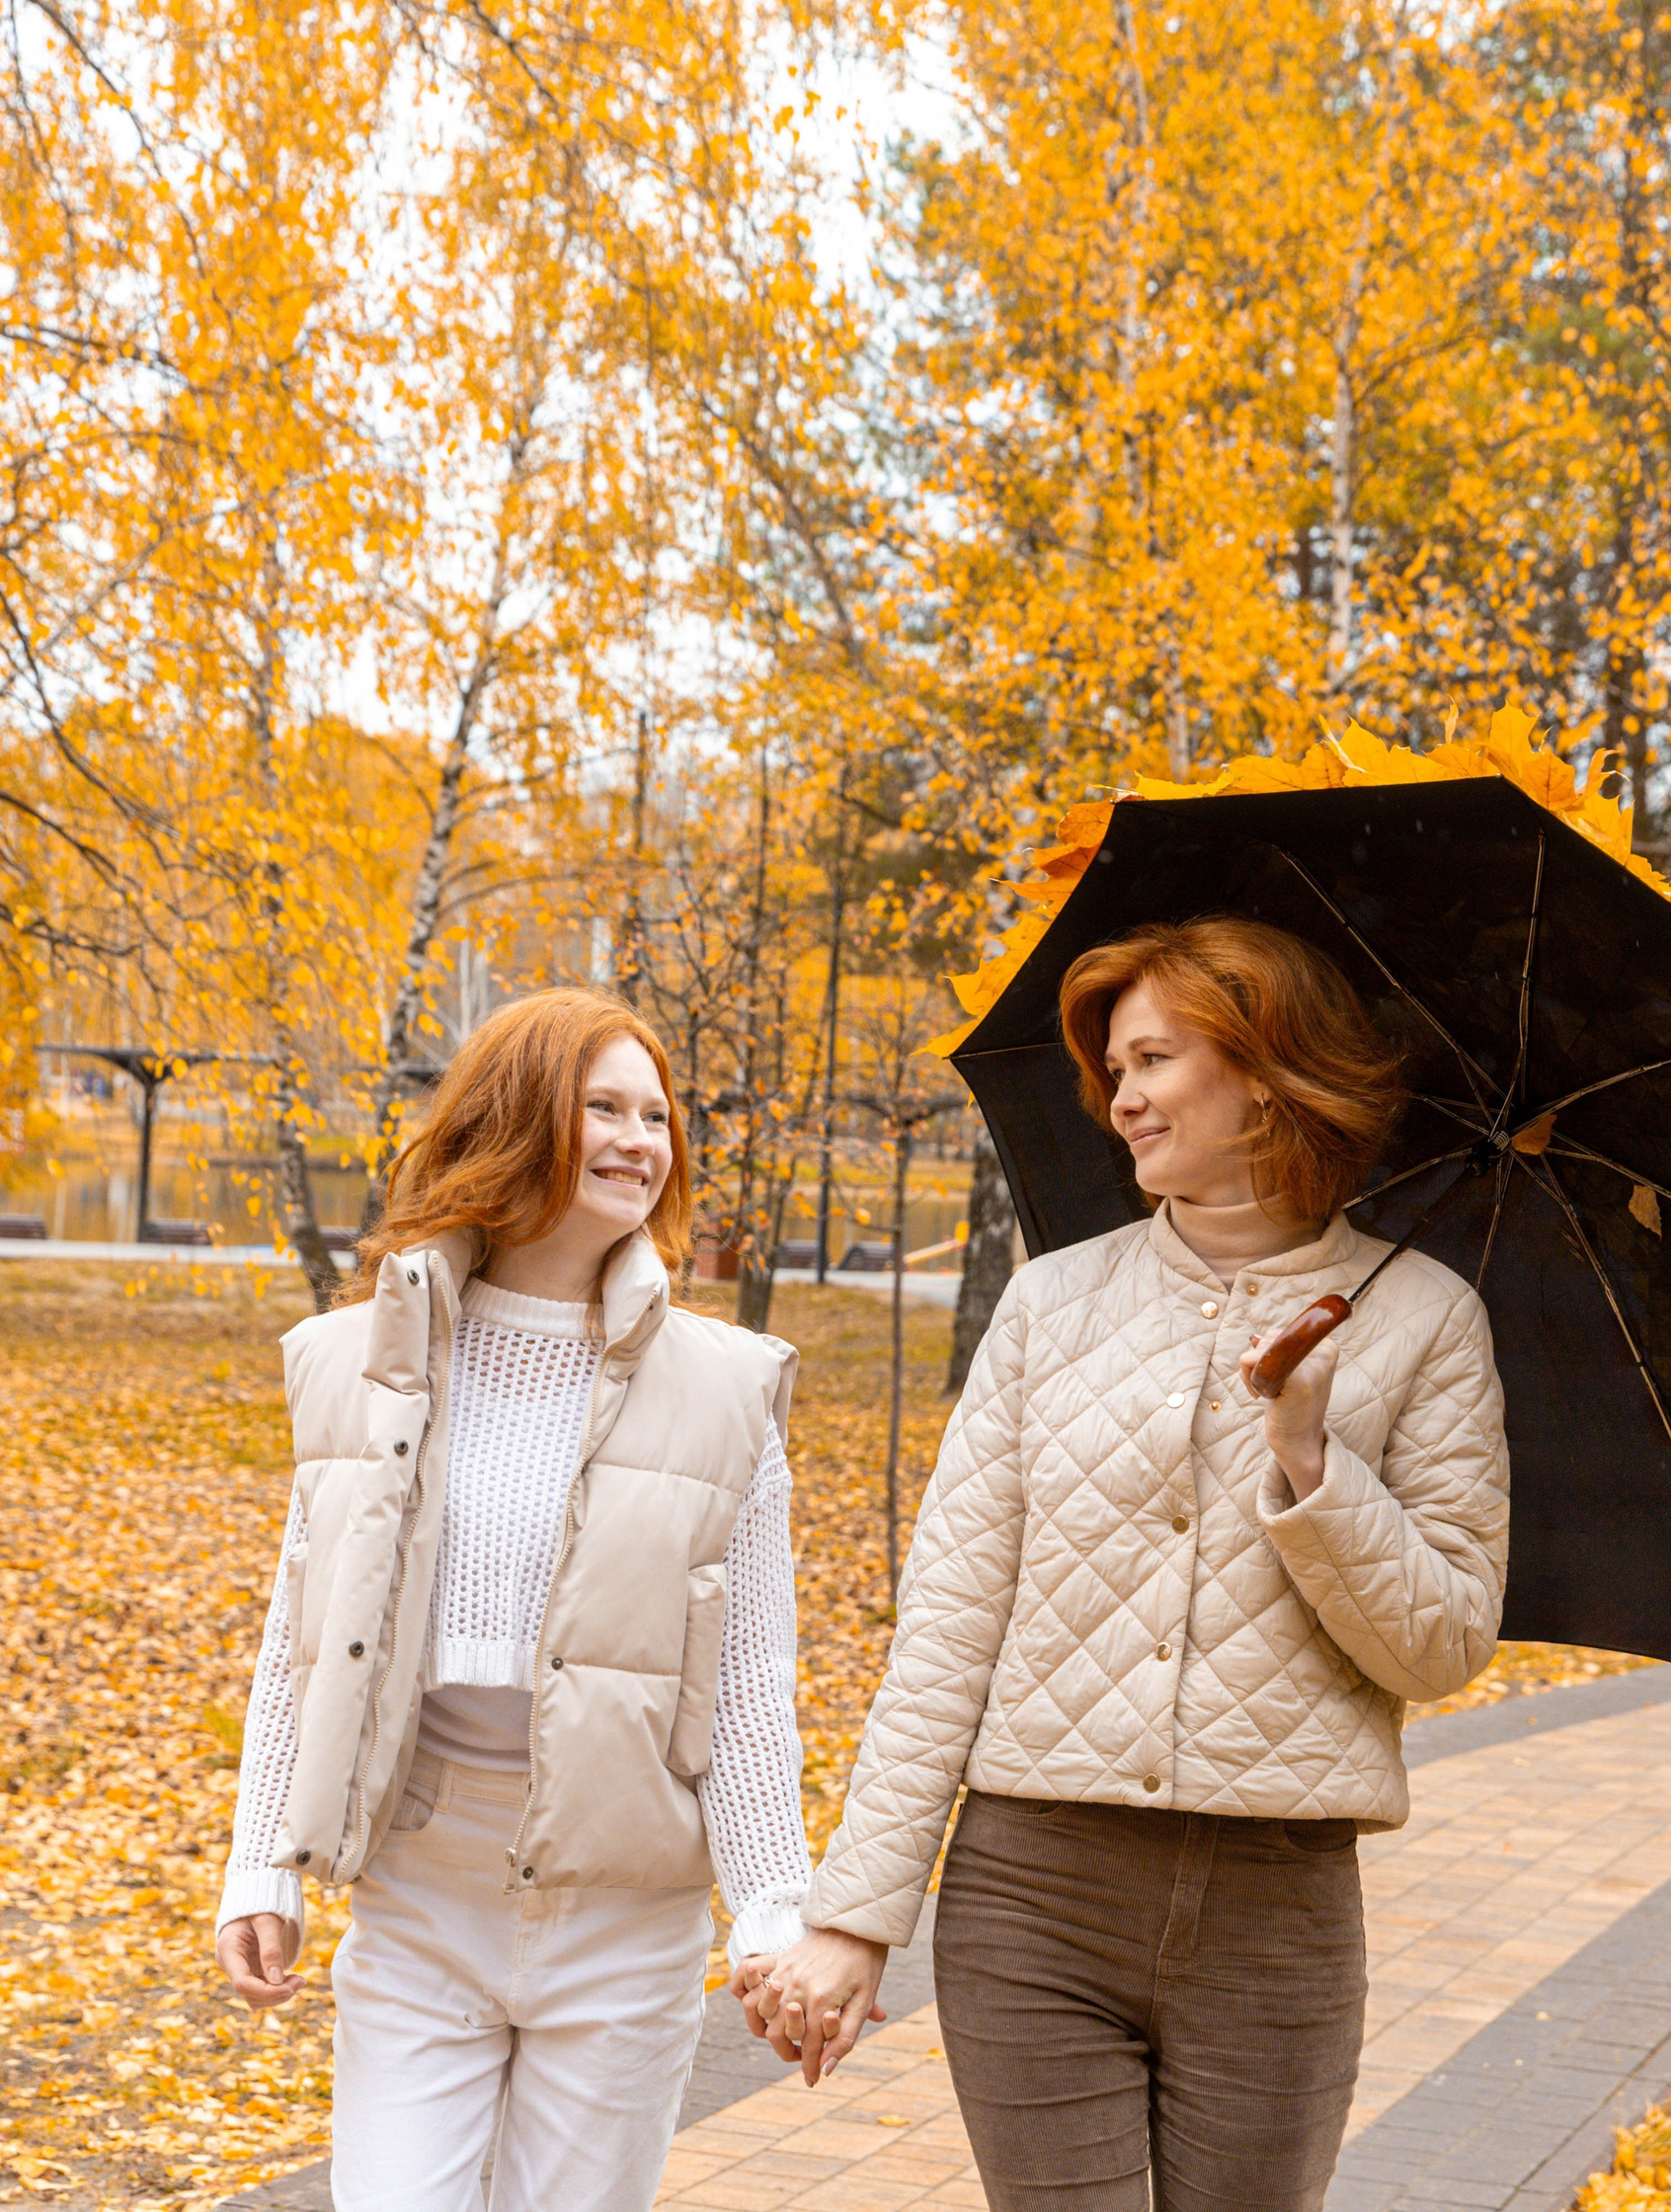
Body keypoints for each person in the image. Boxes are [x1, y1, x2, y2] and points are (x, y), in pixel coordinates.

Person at [740, 915, 1511, 2211]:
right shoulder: (1051, 1303)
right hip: (1033, 1899)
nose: (1123, 1100)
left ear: (1263, 1069)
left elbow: (1441, 1644)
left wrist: (1312, 1460)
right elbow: (950, 1624)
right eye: (1114, 1072)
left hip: (1277, 1917)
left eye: (1153, 1060)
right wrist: (855, 1915)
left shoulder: (1425, 1318)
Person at [213, 988, 813, 2212]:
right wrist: (261, 1862)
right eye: (604, 1107)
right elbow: (302, 1638)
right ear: (515, 1115)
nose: (639, 1140)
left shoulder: (727, 1388)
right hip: (419, 1896)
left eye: (656, 1115)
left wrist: (769, 1906)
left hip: (624, 1917)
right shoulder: (359, 1358)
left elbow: (748, 1679)